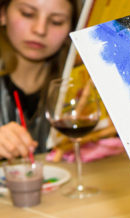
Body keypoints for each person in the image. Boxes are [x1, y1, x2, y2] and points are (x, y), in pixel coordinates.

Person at [0, 0, 78, 159]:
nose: (40, 30)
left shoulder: (78, 82)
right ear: (2, 14)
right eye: (27, 14)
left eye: (56, 22)